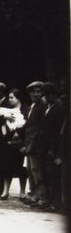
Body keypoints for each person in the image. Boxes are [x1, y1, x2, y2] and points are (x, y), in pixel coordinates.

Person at [0, 89, 27, 200]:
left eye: (12, 97)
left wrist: (19, 133)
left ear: (18, 98)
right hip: (7, 142)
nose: (9, 100)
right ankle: (5, 191)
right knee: (6, 166)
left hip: (19, 142)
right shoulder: (7, 110)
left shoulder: (25, 110)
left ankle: (22, 191)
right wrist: (4, 118)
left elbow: (27, 125)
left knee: (21, 168)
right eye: (9, 97)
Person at [40, 82, 66, 211]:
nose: (45, 98)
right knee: (46, 175)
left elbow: (57, 132)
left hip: (53, 147)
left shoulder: (59, 108)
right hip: (45, 146)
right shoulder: (48, 107)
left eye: (46, 95)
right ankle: (49, 200)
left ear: (53, 95)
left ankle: (55, 202)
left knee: (54, 176)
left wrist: (53, 150)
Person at [23, 81, 47, 207]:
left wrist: (33, 144)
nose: (35, 94)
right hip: (29, 142)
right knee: (30, 170)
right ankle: (35, 195)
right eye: (33, 92)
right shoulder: (33, 105)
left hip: (36, 144)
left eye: (38, 91)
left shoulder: (42, 105)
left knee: (37, 170)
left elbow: (40, 128)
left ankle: (42, 197)